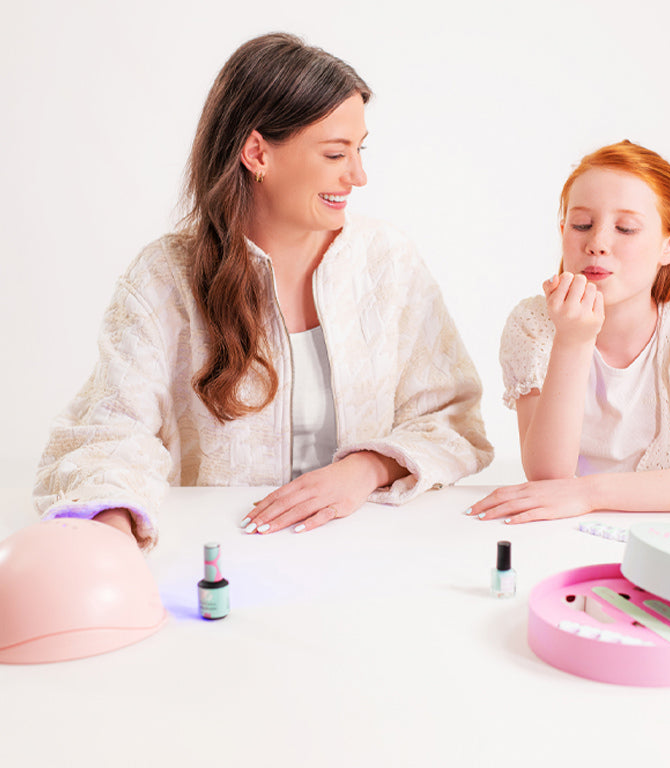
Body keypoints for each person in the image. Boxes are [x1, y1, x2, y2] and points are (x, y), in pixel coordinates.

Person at [34, 33, 493, 549]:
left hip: (366, 551)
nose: (359, 175)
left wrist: (365, 469)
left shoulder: (387, 260)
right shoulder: (165, 276)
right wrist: (110, 534)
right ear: (257, 153)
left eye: (359, 151)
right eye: (336, 153)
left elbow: (453, 420)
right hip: (223, 557)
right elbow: (109, 433)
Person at [467, 140, 670, 524]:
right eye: (581, 225)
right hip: (566, 532)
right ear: (563, 231)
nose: (597, 243)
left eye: (625, 228)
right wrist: (573, 340)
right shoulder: (533, 324)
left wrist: (590, 493)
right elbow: (547, 477)